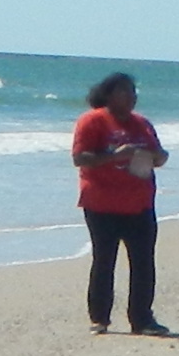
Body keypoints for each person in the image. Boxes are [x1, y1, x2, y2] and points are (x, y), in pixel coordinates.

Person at [72, 71, 169, 334]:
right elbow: (81, 158)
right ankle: (99, 318)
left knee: (143, 262)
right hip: (101, 203)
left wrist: (158, 157)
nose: (131, 96)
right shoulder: (92, 121)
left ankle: (142, 319)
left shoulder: (143, 124)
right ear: (109, 95)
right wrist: (114, 156)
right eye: (124, 91)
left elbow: (158, 153)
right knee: (104, 260)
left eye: (133, 91)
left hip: (139, 203)